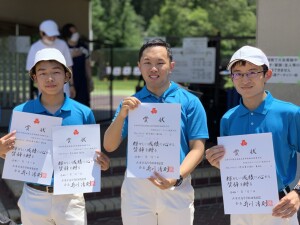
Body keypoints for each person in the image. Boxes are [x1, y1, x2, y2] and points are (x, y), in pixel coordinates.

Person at [103, 39, 209, 225]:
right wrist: (121, 116)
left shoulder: (190, 101)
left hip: (176, 184)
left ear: (171, 65)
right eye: (147, 63)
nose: (153, 68)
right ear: (139, 66)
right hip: (137, 189)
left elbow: (198, 149)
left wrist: (176, 177)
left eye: (160, 63)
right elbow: (109, 146)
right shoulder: (131, 103)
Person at [0, 48, 110, 225]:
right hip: (34, 195)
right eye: (42, 73)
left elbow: (92, 155)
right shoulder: (21, 112)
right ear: (34, 77)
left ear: (67, 76)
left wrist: (102, 163)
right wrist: (2, 150)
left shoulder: (83, 112)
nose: (49, 78)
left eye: (56, 72)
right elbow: (14, 154)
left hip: (70, 198)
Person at [205, 45, 300, 225]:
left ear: (267, 74)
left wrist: (299, 192)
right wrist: (218, 163)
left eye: (252, 72)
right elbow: (233, 167)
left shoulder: (289, 113)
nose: (245, 79)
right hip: (241, 206)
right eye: (238, 73)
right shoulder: (228, 119)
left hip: (280, 207)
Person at [26, 19, 75, 98]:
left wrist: (71, 85)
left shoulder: (62, 44)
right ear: (42, 33)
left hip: (63, 89)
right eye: (50, 36)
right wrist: (39, 85)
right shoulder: (35, 47)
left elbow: (69, 66)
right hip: (44, 90)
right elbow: (30, 69)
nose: (52, 38)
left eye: (54, 36)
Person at [61, 23, 94, 106]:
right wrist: (70, 56)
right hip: (67, 81)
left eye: (75, 32)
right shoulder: (63, 47)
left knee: (83, 104)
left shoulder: (83, 47)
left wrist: (90, 80)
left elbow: (87, 65)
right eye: (72, 33)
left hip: (82, 81)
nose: (75, 34)